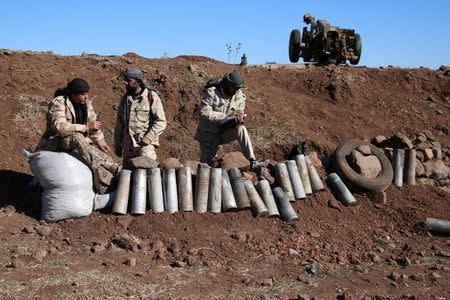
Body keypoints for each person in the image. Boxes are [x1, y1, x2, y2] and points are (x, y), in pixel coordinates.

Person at [36, 78, 121, 194]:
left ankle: (111, 168)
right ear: (73, 94)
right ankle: (108, 175)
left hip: (78, 142)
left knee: (94, 151)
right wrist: (85, 127)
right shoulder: (59, 103)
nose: (86, 97)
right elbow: (60, 128)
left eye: (87, 94)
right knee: (77, 137)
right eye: (83, 94)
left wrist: (101, 142)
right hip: (56, 142)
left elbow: (93, 125)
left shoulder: (86, 104)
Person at [194, 71, 260, 170]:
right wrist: (226, 116)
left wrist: (238, 118)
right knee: (207, 167)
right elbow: (204, 112)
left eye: (238, 88)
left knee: (240, 129)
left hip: (224, 132)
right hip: (208, 134)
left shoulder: (239, 96)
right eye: (234, 88)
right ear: (227, 84)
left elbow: (239, 111)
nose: (236, 91)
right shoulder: (212, 93)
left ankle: (252, 160)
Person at [114, 68, 167, 165]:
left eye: (128, 80)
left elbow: (161, 121)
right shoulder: (125, 99)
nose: (125, 83)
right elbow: (120, 123)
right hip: (128, 147)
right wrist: (117, 145)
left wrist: (149, 137)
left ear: (138, 81)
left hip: (145, 146)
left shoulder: (151, 96)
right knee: (128, 176)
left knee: (146, 174)